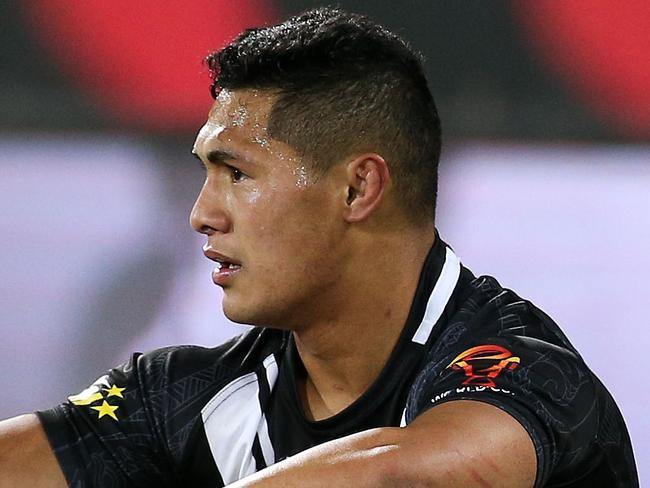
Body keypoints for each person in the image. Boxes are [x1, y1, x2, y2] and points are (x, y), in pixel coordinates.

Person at [0, 7, 638, 487]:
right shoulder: (185, 396)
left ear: (359, 188)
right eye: (203, 175)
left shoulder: (523, 369)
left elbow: (402, 471)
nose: (202, 215)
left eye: (238, 174)